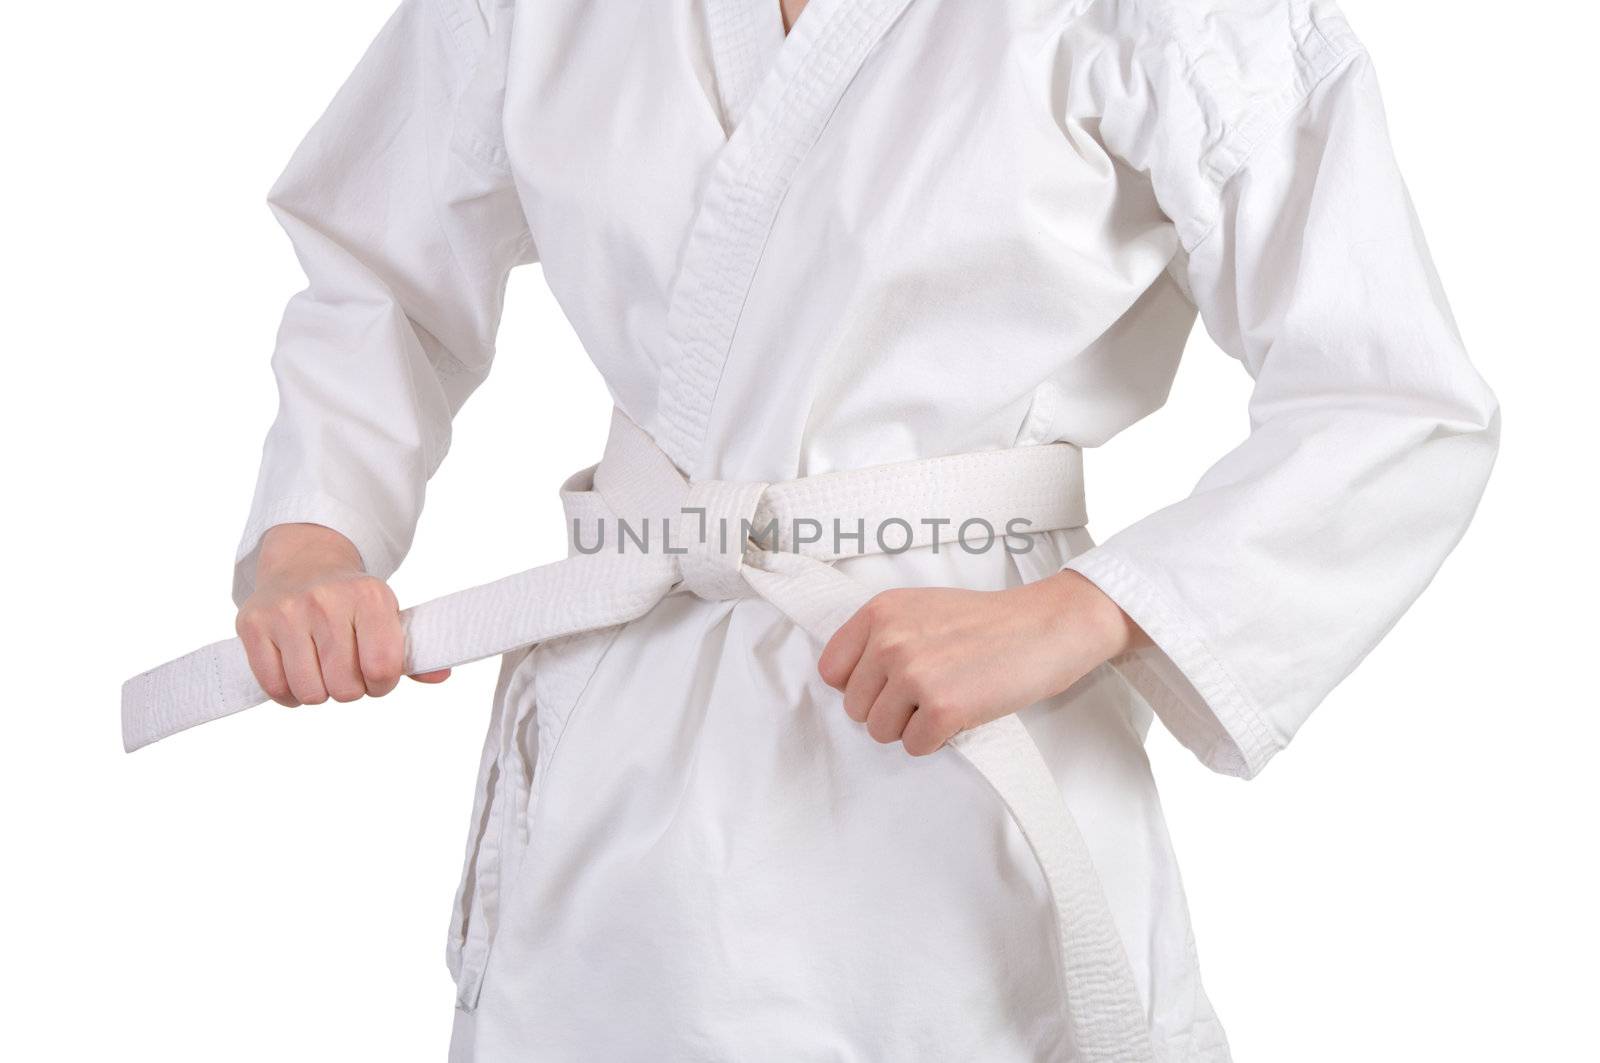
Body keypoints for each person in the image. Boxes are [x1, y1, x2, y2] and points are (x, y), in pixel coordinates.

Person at [125, 0, 1499, 1058]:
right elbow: (377, 266)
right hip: (627, 765)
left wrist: (1078, 617)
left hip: (962, 763)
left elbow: (1391, 398)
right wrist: (315, 537)